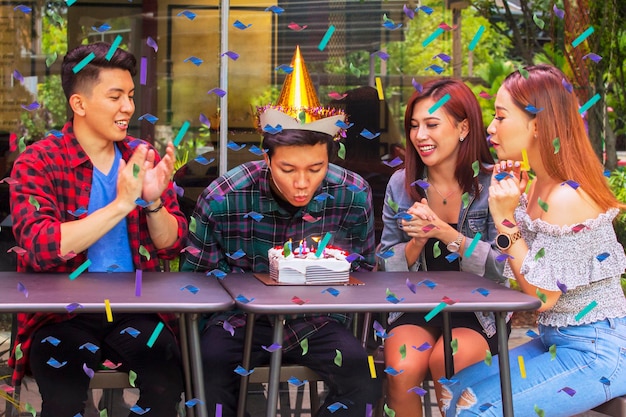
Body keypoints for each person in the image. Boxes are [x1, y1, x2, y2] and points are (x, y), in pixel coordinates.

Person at [9, 42, 188, 417]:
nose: (128, 108)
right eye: (115, 96)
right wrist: (122, 204)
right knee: (63, 400)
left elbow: (171, 245)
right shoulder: (38, 161)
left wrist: (152, 202)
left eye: (130, 96)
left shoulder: (140, 156)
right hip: (62, 315)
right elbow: (41, 245)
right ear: (79, 104)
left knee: (166, 384)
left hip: (137, 310)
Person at [441, 65, 626, 416]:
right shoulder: (538, 185)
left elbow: (541, 297)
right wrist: (511, 216)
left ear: (537, 125)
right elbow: (528, 281)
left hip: (598, 350)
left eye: (500, 117)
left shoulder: (566, 197)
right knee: (454, 391)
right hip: (555, 341)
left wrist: (505, 220)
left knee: (479, 411)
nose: (491, 129)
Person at [181, 106, 381, 416]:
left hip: (319, 318)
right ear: (267, 160)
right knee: (207, 375)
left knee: (364, 381)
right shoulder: (225, 196)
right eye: (288, 169)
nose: (302, 182)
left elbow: (364, 271)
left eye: (316, 168)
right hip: (239, 320)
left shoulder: (352, 194)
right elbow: (196, 280)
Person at [378, 78, 508, 417]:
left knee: (447, 360)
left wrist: (446, 233)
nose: (420, 135)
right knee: (401, 368)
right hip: (415, 303)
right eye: (414, 126)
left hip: (479, 310)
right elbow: (383, 264)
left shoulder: (494, 185)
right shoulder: (400, 184)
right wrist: (417, 241)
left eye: (431, 124)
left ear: (463, 127)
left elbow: (504, 266)